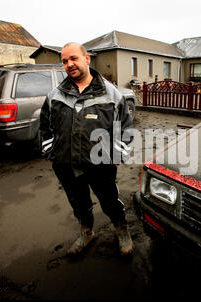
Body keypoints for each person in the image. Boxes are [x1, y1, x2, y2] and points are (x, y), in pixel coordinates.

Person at [39, 43, 134, 256]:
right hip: (66, 164)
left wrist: (116, 155)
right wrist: (51, 152)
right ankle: (87, 232)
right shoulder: (55, 95)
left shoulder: (111, 94)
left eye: (73, 58)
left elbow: (125, 129)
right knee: (79, 203)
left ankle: (122, 230)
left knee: (110, 201)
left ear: (87, 59)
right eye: (64, 61)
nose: (69, 64)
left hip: (100, 164)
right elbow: (44, 127)